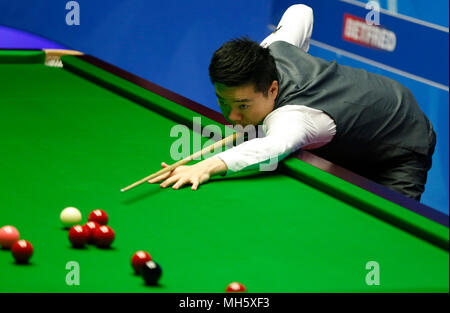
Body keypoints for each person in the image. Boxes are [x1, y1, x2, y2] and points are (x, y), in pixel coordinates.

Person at [149, 4, 436, 201]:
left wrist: (207, 166)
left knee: (384, 240)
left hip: (401, 143)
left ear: (273, 89)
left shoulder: (295, 119)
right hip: (351, 127)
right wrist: (304, 57)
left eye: (244, 106)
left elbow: (272, 146)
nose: (232, 116)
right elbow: (301, 11)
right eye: (224, 102)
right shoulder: (271, 49)